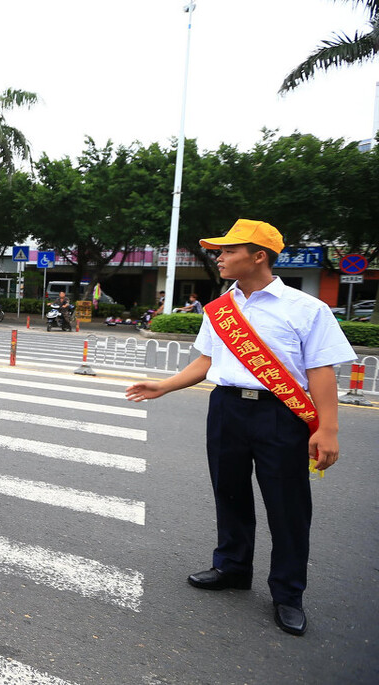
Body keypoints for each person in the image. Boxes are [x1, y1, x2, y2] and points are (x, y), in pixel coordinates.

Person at [125, 219, 355, 637]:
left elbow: (321, 371)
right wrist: (164, 385)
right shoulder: (221, 308)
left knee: (287, 505)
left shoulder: (306, 309)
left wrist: (329, 429)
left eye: (228, 251)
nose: (220, 257)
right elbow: (207, 362)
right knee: (228, 490)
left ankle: (287, 593)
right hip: (227, 408)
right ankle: (232, 566)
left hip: (280, 415)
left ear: (258, 256)